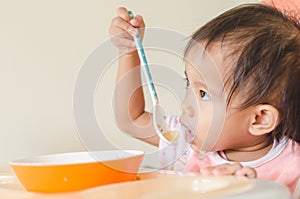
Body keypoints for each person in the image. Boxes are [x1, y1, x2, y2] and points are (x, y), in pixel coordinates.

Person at [109, 4, 300, 193]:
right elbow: (130, 119)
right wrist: (128, 52)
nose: (185, 107)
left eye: (204, 94)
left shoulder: (293, 166)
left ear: (260, 119)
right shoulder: (183, 141)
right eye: (187, 84)